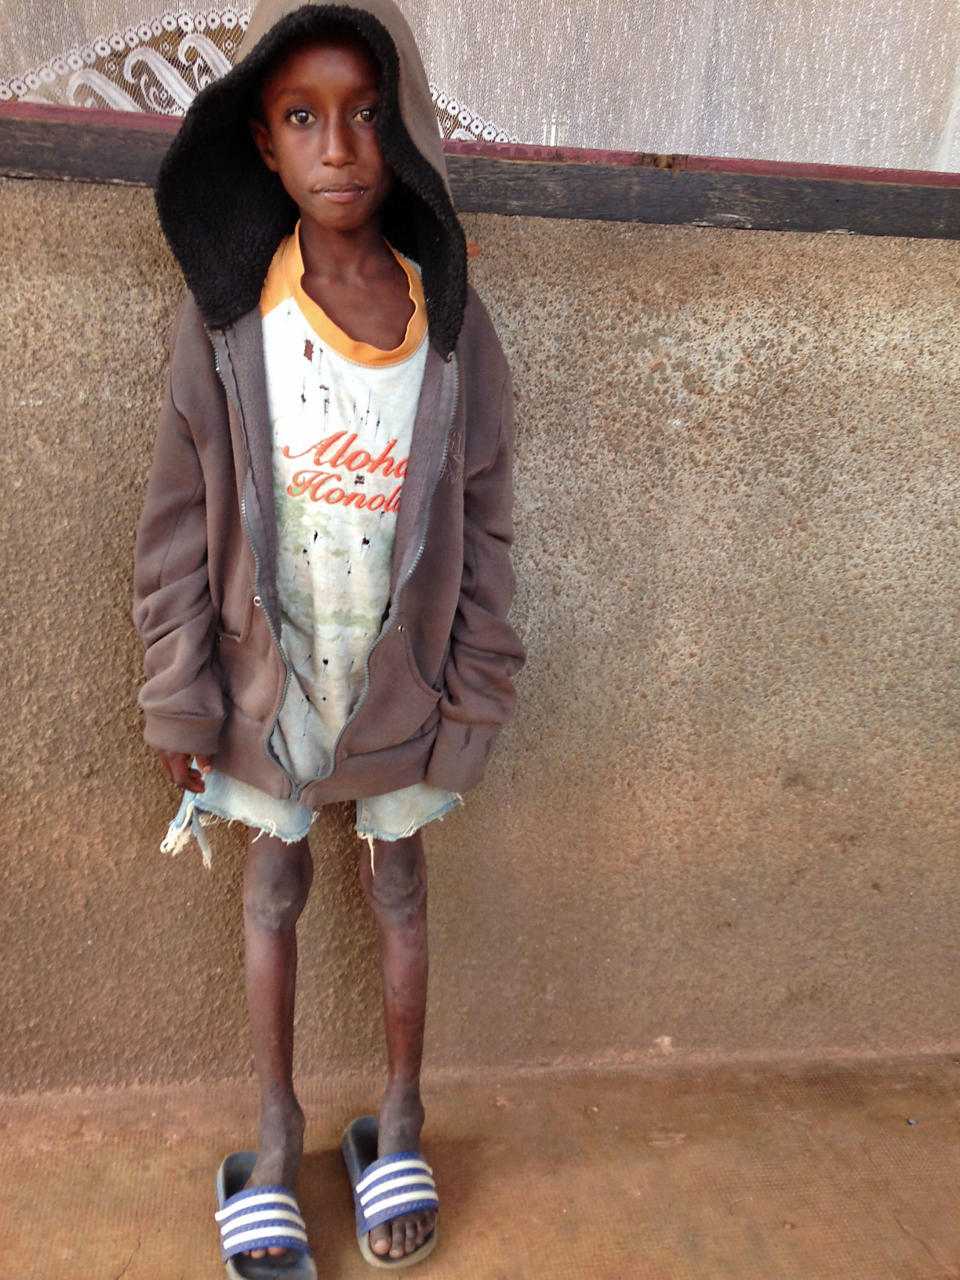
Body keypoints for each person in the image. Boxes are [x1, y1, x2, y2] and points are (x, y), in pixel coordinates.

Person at [133, 1, 524, 1273]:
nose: (341, 146)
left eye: (366, 114)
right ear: (262, 142)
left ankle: (398, 1117)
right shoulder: (232, 327)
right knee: (274, 884)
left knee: (402, 883)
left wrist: (470, 699)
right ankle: (273, 1126)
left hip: (398, 697)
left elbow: (487, 525)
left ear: (403, 132)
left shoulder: (454, 337)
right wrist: (181, 700)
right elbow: (179, 527)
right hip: (268, 694)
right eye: (305, 117)